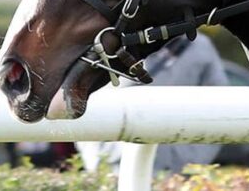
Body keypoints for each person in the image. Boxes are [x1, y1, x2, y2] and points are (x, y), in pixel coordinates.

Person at [77, 32, 228, 173]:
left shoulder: (200, 46)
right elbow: (85, 97)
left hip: (174, 170)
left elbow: (220, 109)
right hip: (114, 164)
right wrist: (97, 156)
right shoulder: (115, 40)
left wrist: (193, 160)